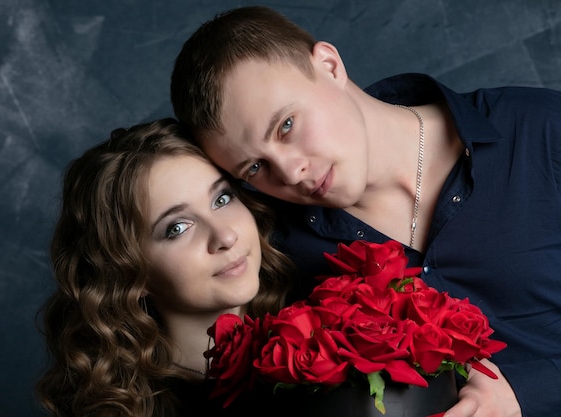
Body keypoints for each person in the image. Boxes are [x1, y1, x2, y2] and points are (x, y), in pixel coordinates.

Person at [170, 6, 561, 417]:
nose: (290, 172)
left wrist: (525, 393)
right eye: (255, 167)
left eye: (286, 126)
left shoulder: (540, 131)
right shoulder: (278, 250)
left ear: (329, 65)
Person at [34, 118, 294, 417]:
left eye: (222, 199)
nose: (225, 236)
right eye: (178, 228)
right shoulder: (136, 409)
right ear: (128, 272)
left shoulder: (321, 304)